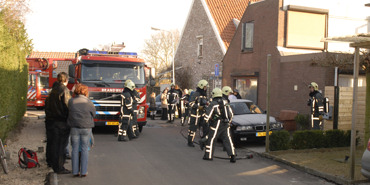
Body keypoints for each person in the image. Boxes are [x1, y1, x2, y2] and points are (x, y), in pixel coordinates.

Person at [44, 72, 72, 174]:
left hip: (50, 121)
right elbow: (67, 105)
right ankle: (59, 167)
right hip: (61, 122)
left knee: (51, 143)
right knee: (60, 146)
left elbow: (46, 105)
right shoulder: (64, 91)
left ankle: (50, 161)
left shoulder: (52, 90)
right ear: (66, 80)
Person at [67, 84, 96, 177]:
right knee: (84, 149)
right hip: (86, 128)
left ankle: (75, 171)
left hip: (74, 127)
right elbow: (94, 114)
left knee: (74, 149)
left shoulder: (71, 101)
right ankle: (83, 172)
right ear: (86, 92)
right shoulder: (89, 102)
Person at [201, 88, 236, 163]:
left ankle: (208, 156)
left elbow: (208, 114)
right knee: (228, 140)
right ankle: (232, 156)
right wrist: (229, 122)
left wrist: (205, 122)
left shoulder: (213, 103)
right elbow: (231, 114)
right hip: (225, 124)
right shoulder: (225, 102)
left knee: (211, 139)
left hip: (216, 124)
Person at [187, 79, 209, 147]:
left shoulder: (204, 95)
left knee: (205, 128)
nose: (206, 88)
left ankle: (203, 142)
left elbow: (205, 102)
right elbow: (190, 103)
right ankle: (190, 141)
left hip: (202, 114)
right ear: (202, 86)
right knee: (193, 129)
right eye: (205, 87)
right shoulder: (195, 94)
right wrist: (198, 107)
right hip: (195, 115)